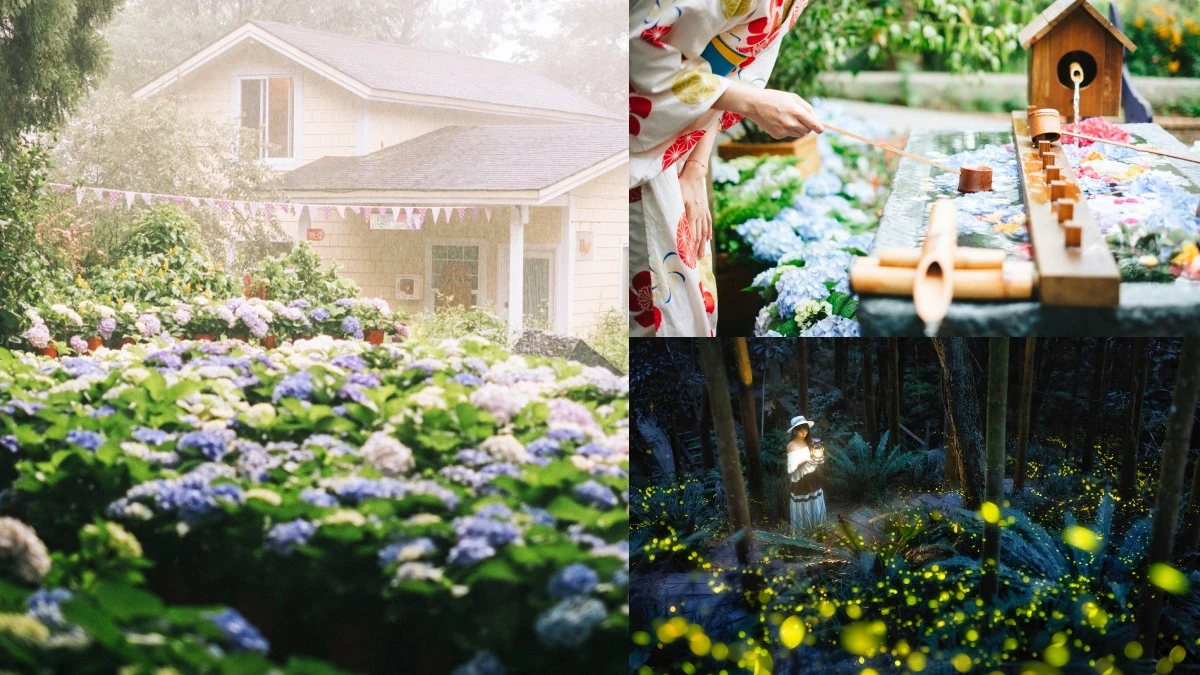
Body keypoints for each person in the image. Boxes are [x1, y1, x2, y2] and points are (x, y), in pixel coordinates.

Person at [629, 0, 825, 337]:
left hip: (683, 139)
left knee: (692, 305)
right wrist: (753, 102)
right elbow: (636, 50)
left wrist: (695, 167)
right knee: (650, 309)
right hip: (638, 144)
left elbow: (734, 76)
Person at [786, 415, 825, 530]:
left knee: (815, 500)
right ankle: (803, 530)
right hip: (800, 480)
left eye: (806, 430)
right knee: (804, 503)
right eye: (800, 430)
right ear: (794, 431)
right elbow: (791, 468)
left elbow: (816, 458)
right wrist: (806, 460)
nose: (804, 433)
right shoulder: (791, 446)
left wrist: (818, 460)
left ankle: (818, 528)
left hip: (813, 477)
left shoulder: (810, 442)